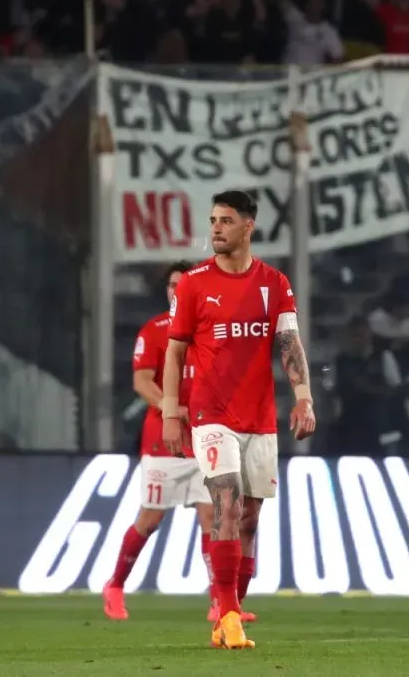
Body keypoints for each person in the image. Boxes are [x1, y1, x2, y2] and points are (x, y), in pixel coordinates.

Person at [162, 191, 317, 649]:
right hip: (212, 415)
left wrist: (304, 398)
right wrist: (173, 411)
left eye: (225, 221)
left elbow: (289, 343)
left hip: (260, 419)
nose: (215, 229)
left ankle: (228, 613)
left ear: (248, 226)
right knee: (225, 502)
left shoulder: (274, 283)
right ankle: (228, 613)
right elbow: (174, 355)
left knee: (249, 518)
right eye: (212, 220)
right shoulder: (192, 284)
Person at [103, 262, 255, 623]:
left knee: (211, 515)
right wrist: (173, 410)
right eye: (171, 285)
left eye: (182, 285)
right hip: (164, 440)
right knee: (150, 518)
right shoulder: (154, 330)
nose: (175, 290)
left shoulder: (213, 331)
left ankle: (219, 601)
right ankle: (115, 585)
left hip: (205, 439)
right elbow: (142, 382)